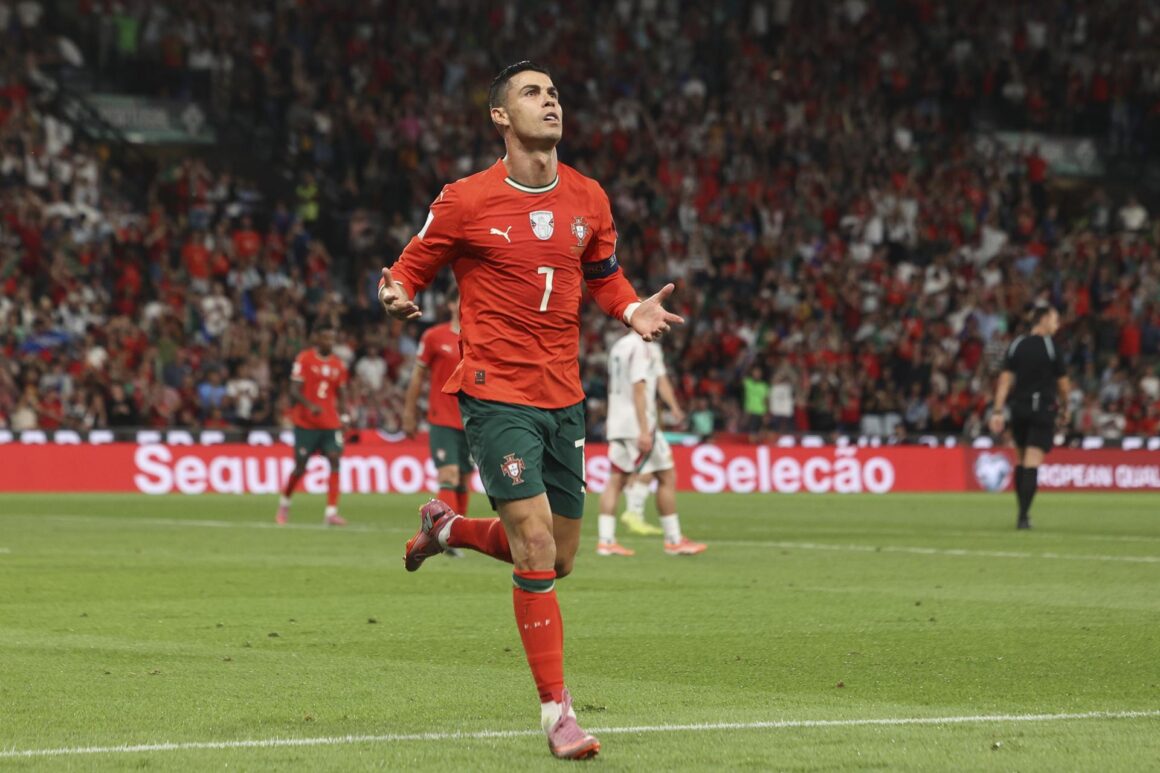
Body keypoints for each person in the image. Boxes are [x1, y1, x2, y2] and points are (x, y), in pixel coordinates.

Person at [378, 61, 683, 761]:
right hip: (494, 392)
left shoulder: (589, 197)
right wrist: (395, 294)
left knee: (560, 556)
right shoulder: (464, 199)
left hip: (564, 396)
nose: (550, 101)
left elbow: (604, 277)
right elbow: (408, 268)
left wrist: (632, 308)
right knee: (536, 545)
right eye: (532, 93)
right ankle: (557, 713)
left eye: (554, 93)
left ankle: (446, 527)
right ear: (500, 116)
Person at [597, 330, 706, 555]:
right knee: (666, 475)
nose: (660, 324)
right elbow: (639, 389)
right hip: (637, 423)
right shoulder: (642, 347)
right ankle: (673, 540)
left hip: (617, 421)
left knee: (616, 479)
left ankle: (606, 541)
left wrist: (672, 407)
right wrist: (645, 430)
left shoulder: (619, 346)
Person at [988, 303, 1070, 529]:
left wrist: (997, 410)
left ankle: (1021, 513)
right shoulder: (1052, 348)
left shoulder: (1017, 344)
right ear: (1043, 319)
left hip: (1019, 409)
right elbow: (1063, 385)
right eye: (1055, 320)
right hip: (1042, 409)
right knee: (1032, 462)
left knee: (1021, 461)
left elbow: (1005, 381)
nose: (1057, 325)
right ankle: (1023, 516)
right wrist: (1065, 408)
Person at [402, 285, 473, 516]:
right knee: (448, 475)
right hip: (442, 419)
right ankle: (446, 529)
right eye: (462, 299)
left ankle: (459, 530)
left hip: (472, 419)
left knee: (464, 478)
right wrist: (409, 412)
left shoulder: (481, 338)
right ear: (451, 304)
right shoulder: (434, 337)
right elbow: (417, 376)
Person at [276, 326, 350, 526]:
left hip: (330, 423)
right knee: (300, 467)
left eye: (332, 339)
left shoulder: (338, 365)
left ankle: (331, 512)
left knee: (335, 459)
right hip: (305, 423)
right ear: (317, 339)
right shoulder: (304, 359)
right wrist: (310, 406)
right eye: (325, 338)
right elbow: (294, 389)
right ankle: (284, 503)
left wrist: (344, 417)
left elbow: (342, 393)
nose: (329, 342)